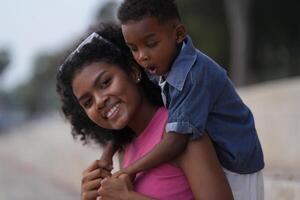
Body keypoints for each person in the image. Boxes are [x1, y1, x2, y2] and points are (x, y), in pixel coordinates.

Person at [56, 23, 233, 200]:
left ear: (133, 71)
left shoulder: (179, 129)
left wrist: (127, 197)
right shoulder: (125, 150)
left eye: (105, 83)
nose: (99, 101)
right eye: (88, 102)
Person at [113, 0, 265, 199]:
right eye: (133, 48)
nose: (142, 56)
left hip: (238, 163)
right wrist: (109, 153)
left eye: (151, 44)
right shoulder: (163, 63)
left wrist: (129, 170)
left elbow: (176, 141)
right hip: (219, 156)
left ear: (178, 34)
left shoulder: (192, 76)